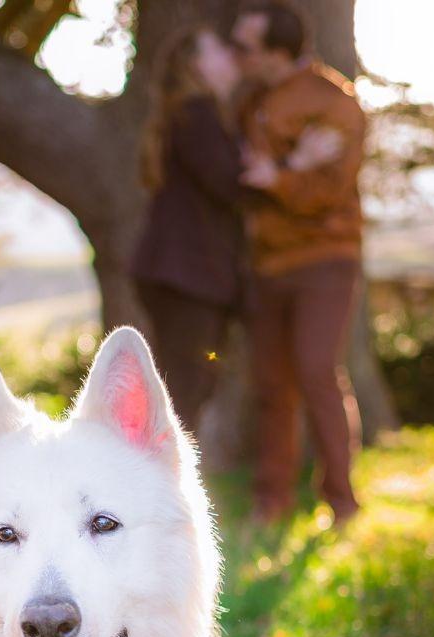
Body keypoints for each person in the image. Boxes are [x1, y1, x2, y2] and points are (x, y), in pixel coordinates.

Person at [231, 0, 366, 524]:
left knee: (314, 370)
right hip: (266, 265)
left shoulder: (335, 103)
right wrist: (288, 166)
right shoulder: (251, 102)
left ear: (275, 52)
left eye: (246, 47)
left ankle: (342, 501)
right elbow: (243, 177)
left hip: (324, 259)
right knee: (271, 385)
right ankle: (272, 501)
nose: (238, 56)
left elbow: (330, 191)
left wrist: (279, 176)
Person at [131, 23, 242, 431]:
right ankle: (167, 484)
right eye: (219, 50)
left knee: (184, 384)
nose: (232, 57)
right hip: (186, 276)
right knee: (186, 388)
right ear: (197, 64)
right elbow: (229, 183)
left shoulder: (187, 114)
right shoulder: (198, 115)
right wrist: (290, 166)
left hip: (174, 274)